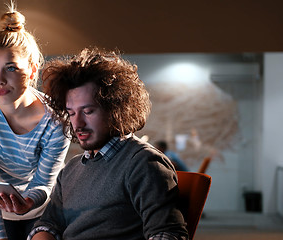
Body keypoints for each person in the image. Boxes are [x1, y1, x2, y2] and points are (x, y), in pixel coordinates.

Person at [28, 48, 188, 240]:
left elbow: (168, 234)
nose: (77, 123)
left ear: (115, 109)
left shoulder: (144, 163)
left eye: (87, 111)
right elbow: (48, 225)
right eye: (71, 113)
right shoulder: (71, 169)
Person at [0, 5, 70, 240]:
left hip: (39, 208)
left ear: (31, 69)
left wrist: (28, 202)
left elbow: (44, 183)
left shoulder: (57, 120)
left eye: (11, 68)